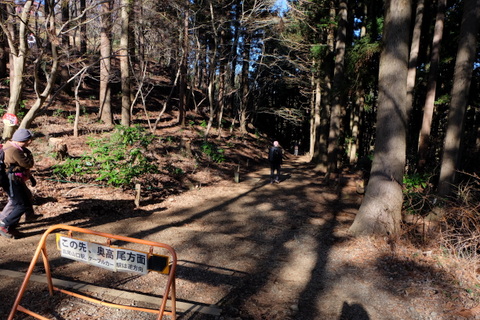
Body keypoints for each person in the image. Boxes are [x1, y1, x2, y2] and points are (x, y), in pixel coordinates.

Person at [0, 129, 39, 239]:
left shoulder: (8, 145)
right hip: (12, 180)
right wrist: (29, 154)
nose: (30, 142)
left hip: (12, 178)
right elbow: (28, 164)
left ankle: (11, 225)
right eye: (29, 140)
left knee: (22, 200)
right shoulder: (14, 151)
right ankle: (5, 224)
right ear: (25, 140)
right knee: (21, 204)